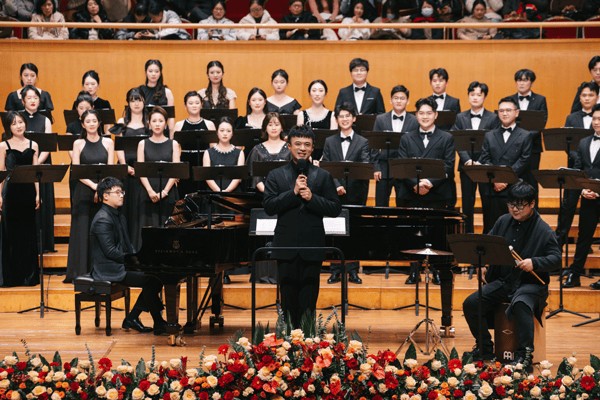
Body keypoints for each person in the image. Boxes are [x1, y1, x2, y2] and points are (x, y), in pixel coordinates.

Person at [462, 181, 561, 368]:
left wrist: (535, 262)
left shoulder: (543, 230)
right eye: (511, 204)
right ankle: (484, 347)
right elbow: (489, 244)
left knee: (521, 304)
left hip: (531, 284)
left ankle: (525, 355)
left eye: (520, 205)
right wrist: (483, 264)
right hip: (505, 281)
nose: (515, 209)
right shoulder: (503, 221)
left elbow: (556, 259)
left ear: (532, 204)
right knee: (472, 303)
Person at [263, 125, 341, 328]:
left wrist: (312, 198)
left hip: (312, 246)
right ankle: (287, 341)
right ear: (289, 146)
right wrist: (293, 193)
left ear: (313, 148)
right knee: (288, 301)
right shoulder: (276, 175)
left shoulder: (323, 176)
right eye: (297, 144)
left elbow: (335, 208)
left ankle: (307, 340)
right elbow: (269, 207)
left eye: (307, 144)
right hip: (285, 246)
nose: (302, 148)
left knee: (308, 302)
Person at [90, 176, 168, 334]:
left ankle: (135, 318)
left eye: (122, 192)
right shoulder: (102, 219)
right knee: (152, 280)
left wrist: (139, 259)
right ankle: (154, 322)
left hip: (121, 264)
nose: (121, 195)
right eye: (117, 192)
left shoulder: (118, 215)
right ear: (105, 196)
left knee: (156, 276)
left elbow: (127, 244)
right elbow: (110, 252)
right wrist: (133, 261)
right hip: (109, 268)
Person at [322, 103, 370, 285]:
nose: (344, 119)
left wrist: (347, 185)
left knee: (354, 232)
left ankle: (353, 270)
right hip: (334, 193)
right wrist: (336, 185)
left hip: (356, 193)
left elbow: (364, 166)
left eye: (348, 116)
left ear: (354, 118)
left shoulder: (363, 142)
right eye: (341, 116)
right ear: (336, 119)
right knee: (334, 232)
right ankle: (335, 270)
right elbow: (326, 166)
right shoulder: (329, 141)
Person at [65, 110, 115, 283]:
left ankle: (102, 271)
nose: (92, 124)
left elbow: (110, 169)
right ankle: (81, 271)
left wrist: (101, 188)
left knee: (102, 230)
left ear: (99, 123)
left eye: (94, 121)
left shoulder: (108, 142)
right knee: (82, 230)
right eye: (88, 121)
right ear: (83, 124)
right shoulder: (78, 143)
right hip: (84, 190)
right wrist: (95, 186)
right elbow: (77, 170)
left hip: (104, 192)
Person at [451, 81, 500, 233]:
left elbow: (494, 142)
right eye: (472, 94)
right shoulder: (460, 117)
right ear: (468, 96)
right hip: (466, 167)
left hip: (485, 168)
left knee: (487, 202)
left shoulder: (493, 118)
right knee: (467, 203)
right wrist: (467, 160)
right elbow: (456, 140)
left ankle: (488, 234)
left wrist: (481, 162)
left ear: (484, 97)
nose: (475, 97)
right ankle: (468, 234)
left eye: (479, 95)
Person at [478, 97, 532, 233]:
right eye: (501, 111)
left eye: (508, 110)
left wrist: (505, 179)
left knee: (513, 228)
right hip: (492, 187)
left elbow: (524, 160)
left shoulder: (525, 135)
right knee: (491, 226)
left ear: (517, 112)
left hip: (514, 187)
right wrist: (496, 179)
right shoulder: (489, 135)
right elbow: (485, 158)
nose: (505, 113)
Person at [555, 82, 599, 248]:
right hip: (575, 170)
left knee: (590, 215)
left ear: (597, 97)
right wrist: (579, 156)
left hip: (596, 173)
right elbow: (568, 144)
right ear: (579, 97)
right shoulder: (572, 118)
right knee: (567, 209)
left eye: (591, 95)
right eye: (584, 95)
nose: (587, 98)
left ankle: (586, 246)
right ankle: (558, 245)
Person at [0, 112, 40, 287]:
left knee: (28, 233)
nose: (18, 126)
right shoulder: (3, 146)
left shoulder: (33, 144)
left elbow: (37, 173)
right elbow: (1, 173)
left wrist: (38, 194)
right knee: (11, 234)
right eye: (14, 123)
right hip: (11, 192)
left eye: (21, 122)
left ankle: (28, 276)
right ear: (8, 127)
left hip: (28, 192)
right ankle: (12, 277)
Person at [564, 104, 600, 289]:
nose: (596, 122)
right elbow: (578, 169)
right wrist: (582, 189)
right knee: (584, 237)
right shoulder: (584, 142)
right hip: (587, 197)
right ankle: (575, 275)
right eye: (594, 119)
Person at [20, 85, 55, 253]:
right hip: (22, 167)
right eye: (29, 98)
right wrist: (28, 165)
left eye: (35, 98)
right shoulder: (18, 119)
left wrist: (36, 163)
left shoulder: (45, 119)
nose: (32, 101)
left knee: (43, 205)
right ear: (23, 101)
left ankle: (44, 245)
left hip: (41, 166)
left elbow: (47, 146)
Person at [113, 87, 148, 251]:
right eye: (133, 100)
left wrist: (142, 168)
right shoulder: (121, 122)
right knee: (126, 209)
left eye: (139, 100)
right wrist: (125, 165)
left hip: (144, 171)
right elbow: (118, 146)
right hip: (125, 170)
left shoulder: (149, 122)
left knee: (140, 209)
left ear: (144, 102)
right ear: (128, 103)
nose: (136, 103)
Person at [372, 85, 419, 207]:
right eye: (396, 98)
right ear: (390, 100)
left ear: (408, 101)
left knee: (404, 207)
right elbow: (374, 145)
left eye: (402, 98)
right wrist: (376, 167)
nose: (399, 101)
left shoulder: (415, 120)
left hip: (404, 169)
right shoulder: (380, 119)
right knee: (380, 206)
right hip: (383, 168)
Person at [508, 69, 548, 206]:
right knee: (514, 179)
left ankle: (533, 211)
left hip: (533, 148)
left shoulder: (540, 100)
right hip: (513, 147)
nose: (521, 83)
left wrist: (524, 137)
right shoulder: (510, 100)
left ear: (531, 82)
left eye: (525, 80)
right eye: (519, 80)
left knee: (531, 181)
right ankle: (514, 209)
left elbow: (541, 122)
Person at [137, 107, 181, 228]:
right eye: (154, 121)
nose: (157, 124)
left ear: (165, 124)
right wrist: (150, 191)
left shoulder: (173, 144)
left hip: (168, 191)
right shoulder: (142, 144)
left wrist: (165, 192)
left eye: (161, 121)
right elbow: (141, 171)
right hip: (147, 191)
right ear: (149, 124)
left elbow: (176, 170)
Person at [247, 112, 291, 192]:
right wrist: (267, 192)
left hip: (286, 192)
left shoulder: (290, 148)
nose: (273, 128)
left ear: (282, 128)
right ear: (265, 128)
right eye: (270, 125)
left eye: (277, 125)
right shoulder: (257, 150)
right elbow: (255, 177)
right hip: (263, 194)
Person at [203, 117, 245, 193]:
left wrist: (227, 191)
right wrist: (218, 191)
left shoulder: (240, 153)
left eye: (228, 131)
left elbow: (238, 178)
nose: (225, 133)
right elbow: (207, 177)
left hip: (234, 194)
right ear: (217, 132)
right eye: (222, 130)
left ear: (232, 133)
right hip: (213, 194)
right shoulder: (208, 152)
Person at [138, 59, 175, 133]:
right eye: (150, 71)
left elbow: (171, 117)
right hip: (144, 130)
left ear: (160, 73)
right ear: (146, 72)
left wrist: (171, 136)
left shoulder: (167, 92)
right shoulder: (140, 91)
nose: (153, 74)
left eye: (156, 71)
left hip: (163, 131)